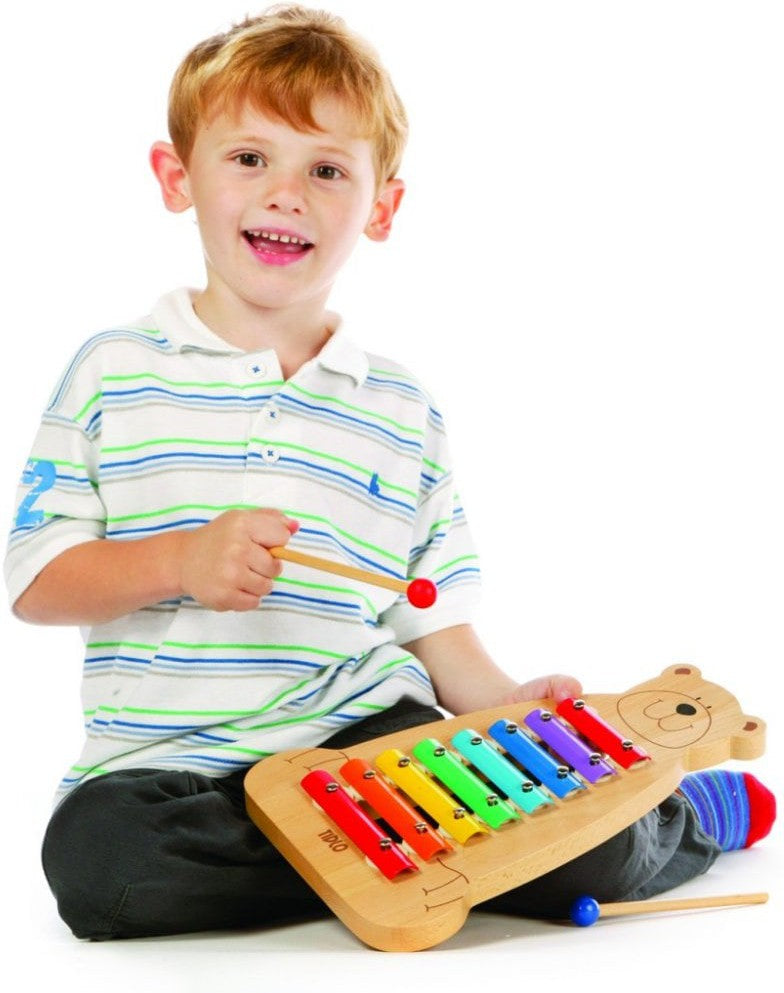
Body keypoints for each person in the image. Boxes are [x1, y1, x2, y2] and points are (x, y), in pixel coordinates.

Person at [4, 6, 774, 941]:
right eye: (249, 158)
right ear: (177, 177)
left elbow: (430, 618)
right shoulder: (112, 371)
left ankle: (676, 818)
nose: (286, 194)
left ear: (381, 206)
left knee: (594, 843)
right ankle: (418, 869)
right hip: (169, 766)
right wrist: (177, 560)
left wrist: (508, 704)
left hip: (373, 750)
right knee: (100, 866)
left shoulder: (401, 407)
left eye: (326, 170)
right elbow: (37, 583)